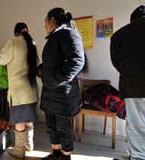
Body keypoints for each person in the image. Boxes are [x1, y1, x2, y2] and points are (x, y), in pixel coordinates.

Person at [39, 8, 85, 160]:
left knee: (63, 129)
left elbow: (77, 61)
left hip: (62, 94)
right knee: (52, 127)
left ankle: (65, 157)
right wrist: (40, 70)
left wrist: (56, 79)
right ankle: (56, 154)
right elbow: (52, 62)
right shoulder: (54, 37)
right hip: (51, 92)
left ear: (52, 19)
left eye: (45, 20)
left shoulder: (68, 33)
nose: (44, 24)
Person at [0, 22, 38, 159]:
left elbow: (0, 60)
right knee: (29, 119)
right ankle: (29, 145)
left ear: (16, 32)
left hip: (19, 91)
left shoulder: (14, 42)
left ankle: (19, 150)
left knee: (19, 121)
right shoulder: (32, 43)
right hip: (31, 90)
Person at [110, 5, 145, 160]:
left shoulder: (120, 35)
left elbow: (116, 62)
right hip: (133, 84)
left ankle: (137, 156)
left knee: (136, 125)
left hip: (133, 86)